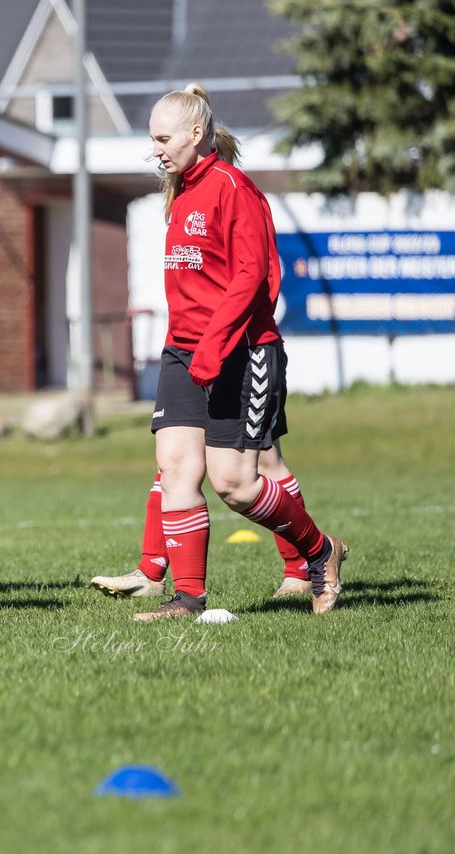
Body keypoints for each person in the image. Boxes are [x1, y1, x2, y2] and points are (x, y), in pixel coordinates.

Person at [131, 83, 346, 620]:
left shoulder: (233, 187)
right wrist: (190, 348)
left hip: (240, 353)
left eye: (162, 138)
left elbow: (251, 277)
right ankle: (187, 599)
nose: (155, 149)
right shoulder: (180, 190)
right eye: (151, 139)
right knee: (176, 469)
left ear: (195, 133)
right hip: (183, 352)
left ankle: (319, 551)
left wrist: (214, 347)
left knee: (236, 485)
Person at [91, 442, 314, 600]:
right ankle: (152, 573)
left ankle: (304, 566)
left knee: (265, 458)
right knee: (173, 464)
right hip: (190, 375)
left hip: (247, 377)